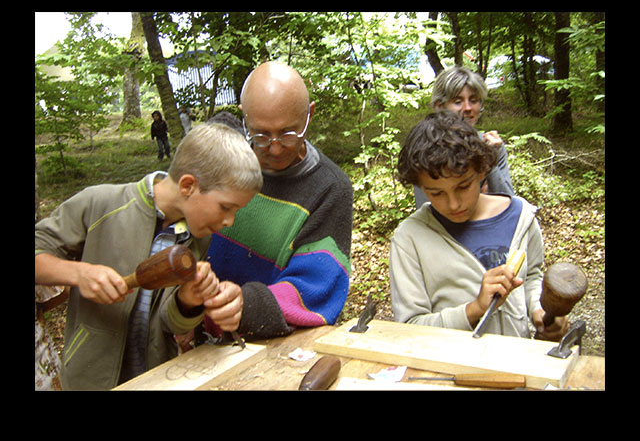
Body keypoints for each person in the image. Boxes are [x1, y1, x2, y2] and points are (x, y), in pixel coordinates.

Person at [35, 123, 263, 390]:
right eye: (226, 207)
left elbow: (171, 323)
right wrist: (78, 273)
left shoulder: (196, 236)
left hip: (155, 380)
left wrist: (189, 301)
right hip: (90, 381)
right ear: (188, 185)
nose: (230, 221)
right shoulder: (100, 204)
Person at [201, 61, 353, 343]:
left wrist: (245, 306)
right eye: (260, 135)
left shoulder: (330, 188)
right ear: (244, 117)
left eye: (287, 133)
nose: (274, 147)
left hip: (272, 346)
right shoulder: (220, 165)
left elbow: (315, 287)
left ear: (309, 115)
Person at [389, 111, 568, 341]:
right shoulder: (409, 239)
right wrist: (474, 309)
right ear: (420, 187)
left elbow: (532, 276)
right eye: (436, 193)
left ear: (482, 170)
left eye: (463, 186)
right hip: (448, 370)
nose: (453, 204)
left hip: (519, 367)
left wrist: (541, 310)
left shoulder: (521, 217)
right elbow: (410, 328)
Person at [414, 66, 514, 207]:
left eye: (473, 100)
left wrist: (490, 161)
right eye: (458, 101)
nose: (468, 108)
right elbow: (426, 210)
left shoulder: (490, 144)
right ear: (439, 106)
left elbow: (509, 205)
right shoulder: (426, 149)